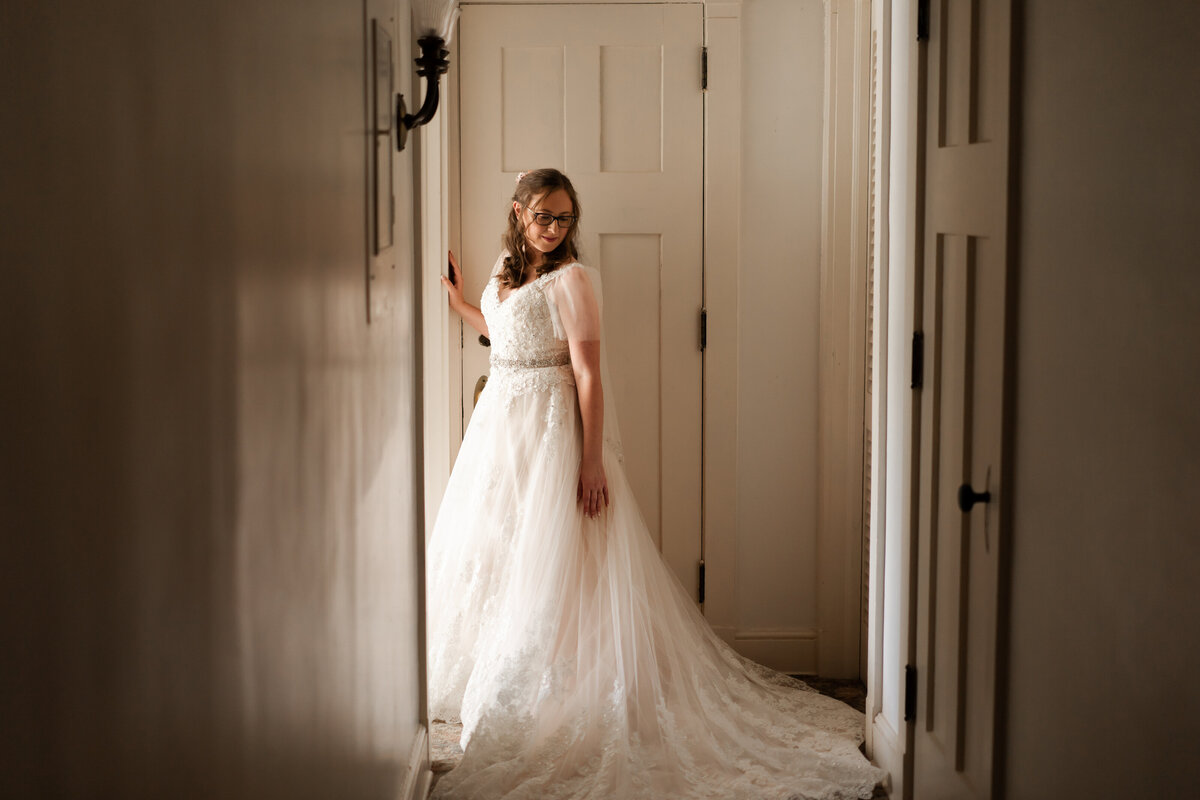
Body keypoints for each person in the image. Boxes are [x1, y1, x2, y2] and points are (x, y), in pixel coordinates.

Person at [427, 168, 884, 799]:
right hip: (500, 435)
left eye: (564, 219)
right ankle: (509, 677)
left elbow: (588, 377)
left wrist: (590, 463)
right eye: (543, 218)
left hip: (553, 436)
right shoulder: (508, 268)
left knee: (562, 566)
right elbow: (501, 334)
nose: (555, 230)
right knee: (502, 553)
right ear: (518, 213)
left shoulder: (575, 281)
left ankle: (558, 691)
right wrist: (457, 303)